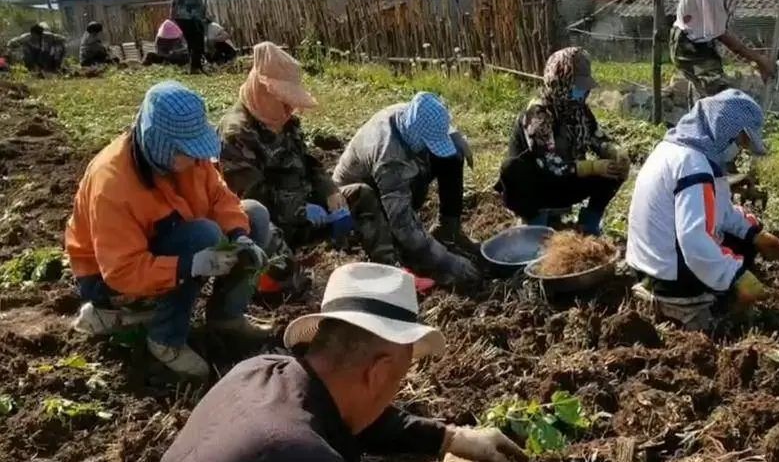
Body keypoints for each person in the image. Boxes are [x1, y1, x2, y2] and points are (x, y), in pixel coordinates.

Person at [146, 262, 527, 462]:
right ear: (378, 372)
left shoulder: (258, 373)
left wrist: (453, 438)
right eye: (398, 379)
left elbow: (354, 422)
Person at [66, 81, 274, 379]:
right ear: (160, 142)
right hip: (108, 277)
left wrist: (240, 235)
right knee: (203, 236)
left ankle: (226, 317)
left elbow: (219, 197)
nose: (196, 158)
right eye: (187, 152)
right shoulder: (112, 184)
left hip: (168, 244)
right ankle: (164, 339)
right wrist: (189, 265)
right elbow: (122, 270)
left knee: (254, 215)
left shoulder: (188, 159)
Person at [625, 89, 779, 330]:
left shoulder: (679, 148)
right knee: (732, 261)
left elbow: (719, 210)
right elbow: (694, 239)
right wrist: (736, 275)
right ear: (725, 129)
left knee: (743, 243)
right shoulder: (694, 165)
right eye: (740, 142)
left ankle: (709, 292)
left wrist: (755, 234)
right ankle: (697, 310)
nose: (739, 150)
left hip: (648, 262)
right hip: (669, 273)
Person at [218, 42, 341, 293]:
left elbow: (307, 160)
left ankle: (377, 261)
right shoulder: (236, 134)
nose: (290, 109)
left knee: (361, 196)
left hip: (302, 212)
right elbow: (253, 201)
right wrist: (299, 210)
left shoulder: (285, 122)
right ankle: (277, 282)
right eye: (283, 100)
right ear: (262, 91)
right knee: (288, 275)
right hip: (270, 226)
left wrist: (329, 190)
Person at [333, 93, 481, 287]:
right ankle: (390, 262)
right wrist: (445, 261)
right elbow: (403, 224)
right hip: (355, 203)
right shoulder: (389, 158)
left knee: (451, 156)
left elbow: (435, 123)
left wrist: (454, 136)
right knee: (404, 235)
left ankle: (448, 231)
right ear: (415, 136)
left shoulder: (410, 115)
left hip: (391, 179)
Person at [495, 47, 628, 235]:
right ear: (559, 81)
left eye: (583, 88)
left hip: (565, 180)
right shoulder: (538, 114)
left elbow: (597, 137)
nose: (581, 93)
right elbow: (550, 166)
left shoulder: (579, 110)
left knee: (615, 170)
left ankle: (589, 224)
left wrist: (614, 151)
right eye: (576, 87)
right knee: (512, 167)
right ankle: (535, 223)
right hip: (537, 185)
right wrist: (592, 167)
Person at [171, 0, 211, 74]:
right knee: (196, 40)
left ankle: (195, 67)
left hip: (185, 15)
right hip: (186, 15)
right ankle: (195, 67)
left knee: (193, 41)